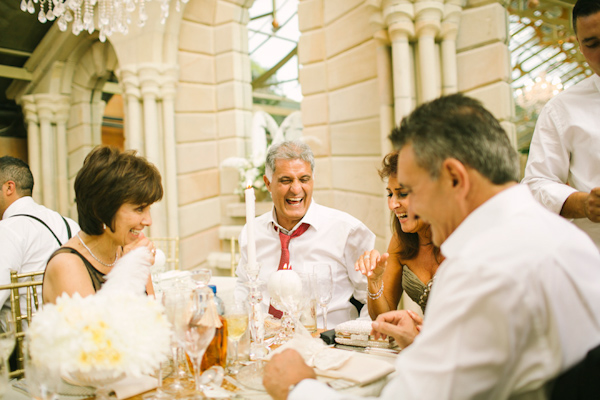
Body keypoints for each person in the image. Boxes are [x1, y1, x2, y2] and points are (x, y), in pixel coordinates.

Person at [263, 94, 600, 400]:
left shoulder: (479, 269)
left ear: (454, 178)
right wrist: (429, 346)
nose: (408, 207)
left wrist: (298, 387)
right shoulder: (569, 240)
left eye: (411, 189)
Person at [235, 140, 375, 328]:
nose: (296, 189)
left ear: (312, 180)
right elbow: (243, 290)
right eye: (286, 180)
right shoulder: (251, 233)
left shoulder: (348, 231)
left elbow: (372, 300)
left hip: (330, 346)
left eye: (303, 179)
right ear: (268, 183)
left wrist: (349, 340)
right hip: (267, 346)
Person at [522, 0, 600, 250]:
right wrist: (585, 203)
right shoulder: (561, 110)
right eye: (593, 44)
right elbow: (536, 185)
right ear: (579, 45)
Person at [42, 146, 162, 304]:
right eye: (139, 209)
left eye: (149, 208)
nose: (148, 221)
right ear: (102, 209)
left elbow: (154, 318)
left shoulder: (127, 251)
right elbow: (101, 327)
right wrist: (129, 268)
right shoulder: (67, 265)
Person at [355, 151, 442, 322]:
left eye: (402, 194)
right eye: (390, 194)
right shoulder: (400, 242)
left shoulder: (462, 238)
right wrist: (374, 282)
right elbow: (382, 317)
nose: (392, 204)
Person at [0, 156, 80, 318]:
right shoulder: (69, 224)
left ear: (9, 187)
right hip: (72, 328)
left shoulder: (7, 230)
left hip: (27, 337)